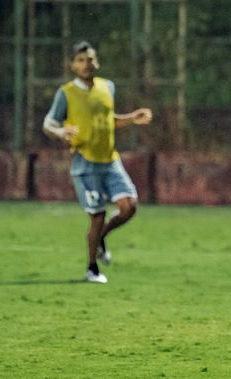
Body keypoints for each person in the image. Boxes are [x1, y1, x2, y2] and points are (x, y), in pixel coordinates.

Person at [43, 41, 152, 284]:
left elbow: (108, 120)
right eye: (80, 60)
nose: (86, 64)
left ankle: (101, 238)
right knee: (98, 215)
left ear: (97, 62)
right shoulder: (66, 93)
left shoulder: (107, 87)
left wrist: (132, 118)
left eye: (90, 59)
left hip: (110, 161)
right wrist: (60, 133)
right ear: (72, 65)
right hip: (86, 165)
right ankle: (92, 268)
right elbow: (48, 123)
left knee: (129, 206)